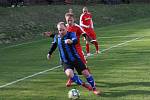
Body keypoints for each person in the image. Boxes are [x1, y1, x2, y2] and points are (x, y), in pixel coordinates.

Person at [47, 22, 101, 95]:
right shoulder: (57, 37)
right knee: (69, 74)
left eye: (63, 29)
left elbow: (75, 40)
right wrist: (49, 53)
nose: (61, 32)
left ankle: (94, 89)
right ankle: (84, 84)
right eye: (60, 30)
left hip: (75, 58)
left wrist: (71, 41)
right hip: (65, 61)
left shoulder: (71, 34)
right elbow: (54, 45)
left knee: (86, 73)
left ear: (66, 28)